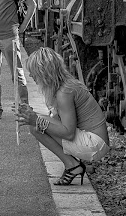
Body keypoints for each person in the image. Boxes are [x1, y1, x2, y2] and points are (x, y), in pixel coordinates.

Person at [16, 48, 110, 185]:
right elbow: (57, 120)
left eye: (33, 72)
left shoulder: (64, 93)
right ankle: (73, 165)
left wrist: (35, 119)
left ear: (44, 72)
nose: (30, 76)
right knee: (41, 121)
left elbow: (68, 133)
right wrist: (32, 114)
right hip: (95, 140)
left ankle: (72, 165)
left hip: (95, 145)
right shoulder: (65, 85)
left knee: (35, 126)